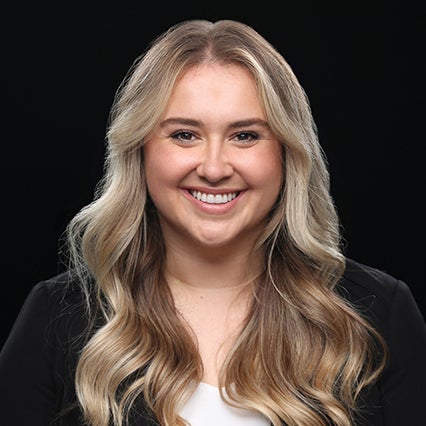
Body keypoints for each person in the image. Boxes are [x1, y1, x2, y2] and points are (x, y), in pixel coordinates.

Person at [0, 18, 425, 426]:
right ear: (139, 150)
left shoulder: (378, 315)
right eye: (184, 134)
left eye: (245, 135)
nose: (215, 168)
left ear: (287, 153)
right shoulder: (57, 316)